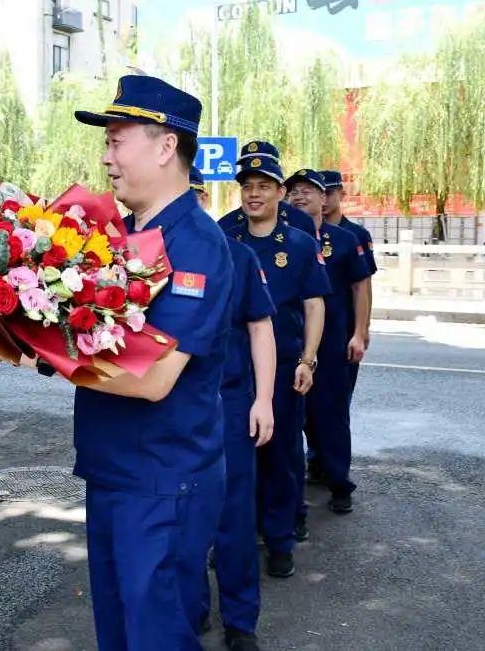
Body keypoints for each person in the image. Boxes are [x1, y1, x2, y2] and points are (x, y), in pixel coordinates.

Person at [0, 75, 235, 650]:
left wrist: (33, 353)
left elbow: (155, 380)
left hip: (164, 479)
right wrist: (15, 336)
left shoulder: (197, 247)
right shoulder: (115, 237)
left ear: (165, 147)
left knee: (157, 634)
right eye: (106, 143)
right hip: (114, 469)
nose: (105, 157)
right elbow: (93, 344)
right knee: (118, 629)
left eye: (116, 141)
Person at [220, 144, 330, 579]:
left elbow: (315, 306)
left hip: (285, 367)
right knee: (232, 460)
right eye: (247, 186)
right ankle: (232, 541)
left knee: (282, 457)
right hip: (233, 369)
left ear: (280, 193)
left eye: (264, 186)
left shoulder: (300, 245)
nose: (254, 194)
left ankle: (280, 539)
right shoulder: (225, 237)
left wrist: (308, 359)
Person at [193, 168, 277, 651]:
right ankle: (193, 608)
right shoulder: (141, 253)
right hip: (169, 405)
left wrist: (263, 399)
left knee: (234, 519)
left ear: (202, 196)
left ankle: (241, 621)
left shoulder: (236, 255)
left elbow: (260, 327)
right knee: (183, 520)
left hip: (228, 402)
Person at [287, 170, 370, 516]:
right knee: (293, 419)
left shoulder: (345, 239)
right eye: (294, 192)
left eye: (309, 191)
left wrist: (360, 333)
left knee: (331, 415)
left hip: (333, 343)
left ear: (325, 198)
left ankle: (339, 483)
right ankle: (293, 492)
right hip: (291, 343)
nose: (300, 197)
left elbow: (360, 288)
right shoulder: (283, 240)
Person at [320, 170, 377, 394]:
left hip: (344, 325)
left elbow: (364, 285)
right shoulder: (306, 232)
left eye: (329, 193)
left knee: (339, 398)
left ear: (342, 195)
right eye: (319, 193)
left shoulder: (355, 234)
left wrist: (362, 329)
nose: (323, 199)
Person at [218, 142, 317, 239]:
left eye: (263, 186)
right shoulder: (226, 225)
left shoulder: (300, 221)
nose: (253, 166)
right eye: (245, 164)